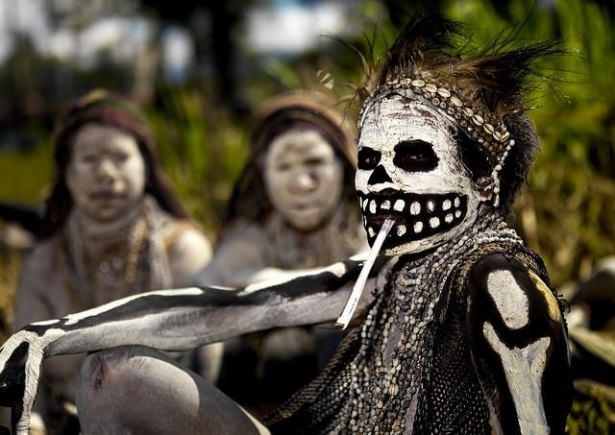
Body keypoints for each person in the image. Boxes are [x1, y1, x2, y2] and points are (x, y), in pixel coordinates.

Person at [0, 16, 571, 434]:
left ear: (481, 181)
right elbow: (226, 309)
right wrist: (52, 336)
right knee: (113, 373)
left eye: (415, 158)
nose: (381, 183)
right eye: (370, 161)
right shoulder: (384, 271)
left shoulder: (501, 287)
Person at [11, 90, 214, 434]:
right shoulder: (44, 266)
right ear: (67, 174)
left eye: (120, 157)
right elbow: (24, 377)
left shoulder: (183, 252)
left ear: (146, 168)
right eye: (89, 159)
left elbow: (210, 367)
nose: (105, 172)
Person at [194, 93, 366, 410]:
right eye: (283, 166)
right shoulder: (251, 238)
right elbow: (205, 295)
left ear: (343, 167)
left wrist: (279, 295)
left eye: (315, 163)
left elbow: (370, 281)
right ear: (264, 176)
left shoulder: (373, 228)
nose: (301, 182)